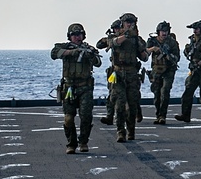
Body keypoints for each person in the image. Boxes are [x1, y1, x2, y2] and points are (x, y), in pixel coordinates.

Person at [96, 13, 150, 142]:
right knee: (119, 105)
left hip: (132, 74)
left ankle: (131, 131)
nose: (129, 24)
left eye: (132, 22)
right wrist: (126, 35)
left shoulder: (137, 39)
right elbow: (112, 43)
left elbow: (144, 57)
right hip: (118, 74)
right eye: (127, 22)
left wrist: (144, 50)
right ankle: (121, 131)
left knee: (132, 106)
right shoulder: (115, 36)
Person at [50, 23, 102, 154]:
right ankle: (71, 143)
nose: (77, 37)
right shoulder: (64, 47)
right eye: (74, 35)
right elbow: (54, 53)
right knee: (68, 118)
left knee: (86, 116)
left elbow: (98, 63)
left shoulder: (89, 49)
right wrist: (72, 52)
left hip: (85, 87)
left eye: (79, 35)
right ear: (69, 36)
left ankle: (83, 141)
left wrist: (90, 56)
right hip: (69, 88)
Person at [175, 20, 201, 123]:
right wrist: (186, 51)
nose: (194, 31)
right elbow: (189, 54)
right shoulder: (193, 40)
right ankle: (185, 115)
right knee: (187, 92)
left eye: (196, 29)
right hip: (194, 70)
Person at [146, 21, 180, 125]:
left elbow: (177, 57)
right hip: (156, 69)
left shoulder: (172, 42)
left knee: (165, 91)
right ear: (158, 32)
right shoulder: (152, 41)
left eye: (166, 31)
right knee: (157, 93)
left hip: (169, 70)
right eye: (162, 31)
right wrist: (153, 49)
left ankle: (162, 116)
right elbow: (144, 52)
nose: (164, 33)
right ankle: (158, 114)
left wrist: (168, 56)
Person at [97, 19, 123, 127]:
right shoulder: (112, 39)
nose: (116, 31)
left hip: (128, 71)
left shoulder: (129, 38)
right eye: (115, 29)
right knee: (112, 96)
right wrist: (108, 40)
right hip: (115, 72)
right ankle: (109, 116)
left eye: (118, 28)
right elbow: (99, 44)